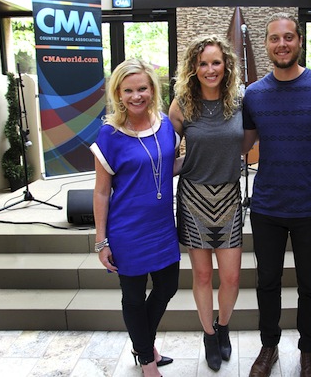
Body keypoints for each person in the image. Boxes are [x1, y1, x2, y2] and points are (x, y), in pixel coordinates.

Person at [242, 12, 311, 377]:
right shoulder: (254, 94)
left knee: (309, 284)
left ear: (300, 41)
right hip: (267, 205)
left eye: (288, 37)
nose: (281, 44)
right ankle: (269, 347)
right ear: (266, 44)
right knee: (266, 282)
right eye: (274, 38)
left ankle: (308, 351)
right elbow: (243, 145)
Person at [91, 58, 181, 377]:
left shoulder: (166, 126)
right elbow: (101, 192)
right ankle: (146, 358)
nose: (136, 96)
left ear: (152, 89)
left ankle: (144, 343)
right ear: (118, 93)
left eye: (142, 88)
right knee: (132, 295)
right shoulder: (109, 135)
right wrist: (101, 241)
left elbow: (167, 168)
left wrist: (208, 159)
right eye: (128, 90)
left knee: (168, 285)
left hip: (161, 227)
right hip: (127, 231)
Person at [169, 35, 244, 371]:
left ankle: (223, 326)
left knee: (230, 278)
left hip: (228, 197)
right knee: (201, 275)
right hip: (193, 197)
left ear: (226, 65)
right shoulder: (182, 105)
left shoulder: (240, 103)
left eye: (216, 62)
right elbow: (165, 157)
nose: (210, 69)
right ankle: (208, 334)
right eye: (203, 63)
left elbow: (248, 144)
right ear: (193, 68)